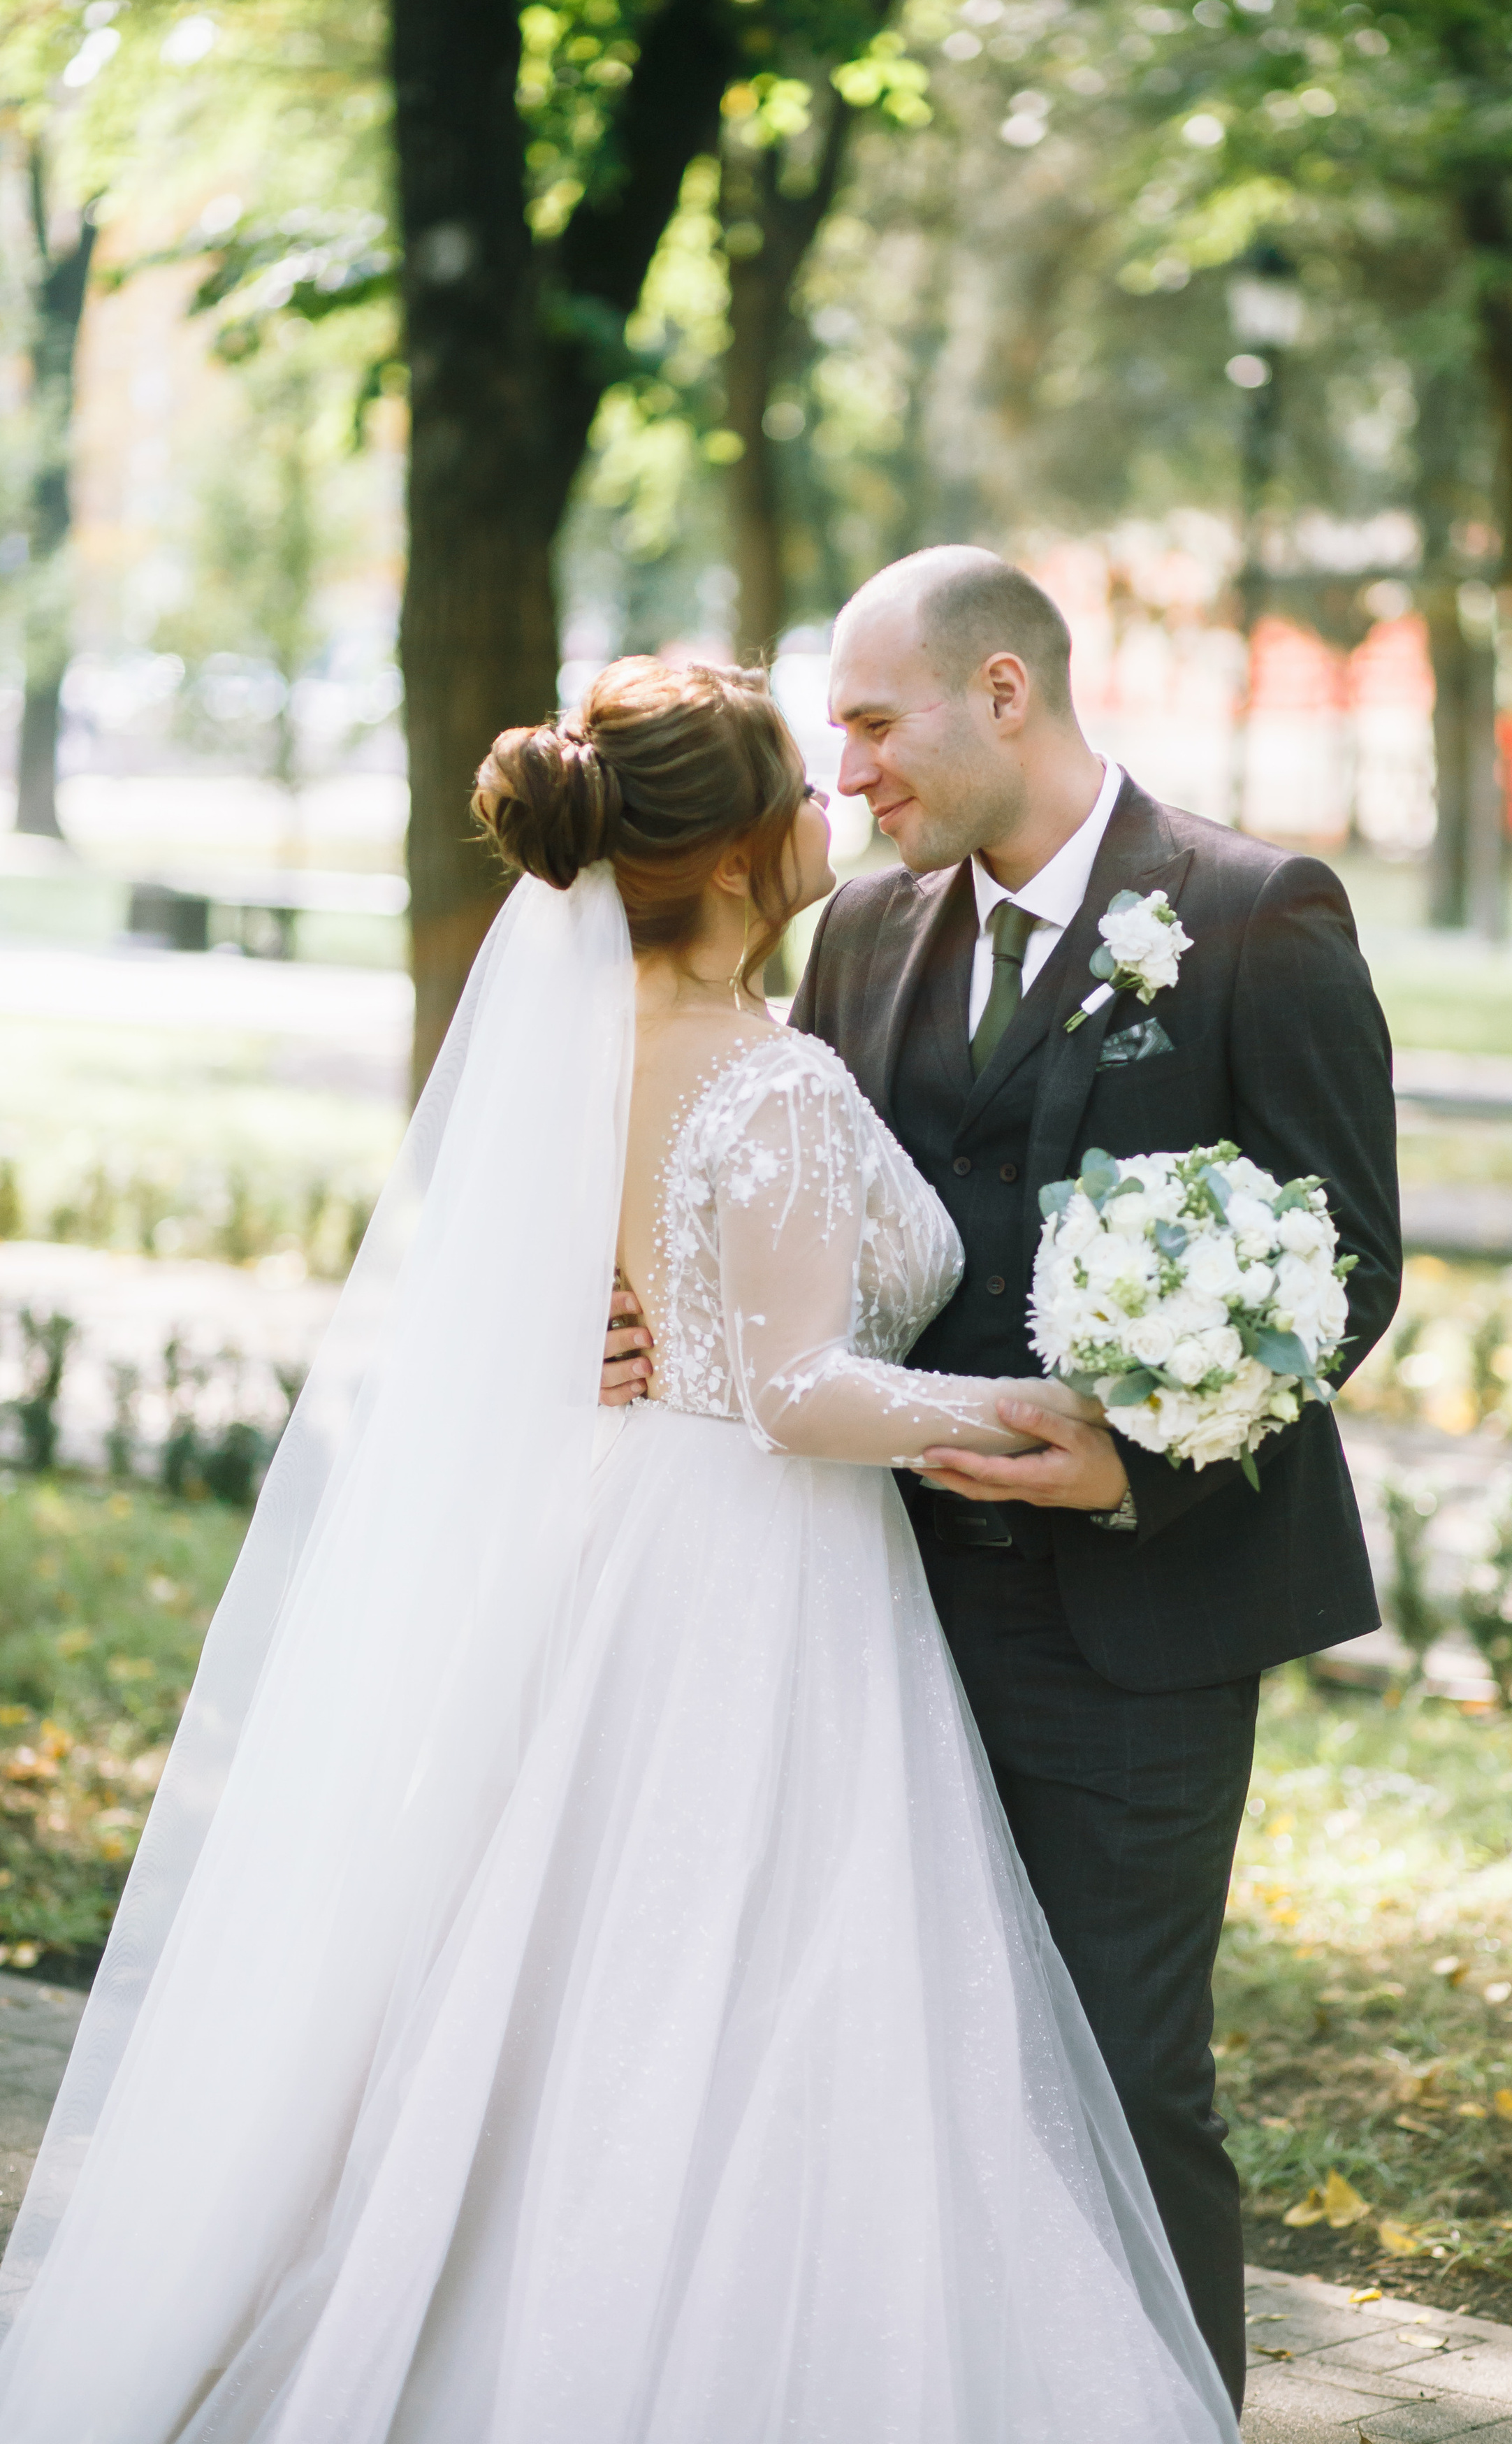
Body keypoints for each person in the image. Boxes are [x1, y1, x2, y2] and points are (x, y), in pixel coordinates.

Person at [0, 657, 1237, 2444]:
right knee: (752, 1982)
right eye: (795, 785)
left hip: (626, 1535)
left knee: (597, 1967)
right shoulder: (768, 1081)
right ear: (733, 857)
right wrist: (1033, 1413)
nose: (830, 799)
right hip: (762, 1570)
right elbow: (795, 1392)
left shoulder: (586, 1054)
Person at [605, 552, 1402, 2403]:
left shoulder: (1252, 912)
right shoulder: (862, 933)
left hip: (1134, 1617)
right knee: (891, 2069)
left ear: (1004, 693)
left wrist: (1133, 1453)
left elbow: (1347, 1256)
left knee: (1121, 2082)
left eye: (875, 723)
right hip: (861, 1605)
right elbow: (773, 1208)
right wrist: (628, 1314)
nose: (849, 769)